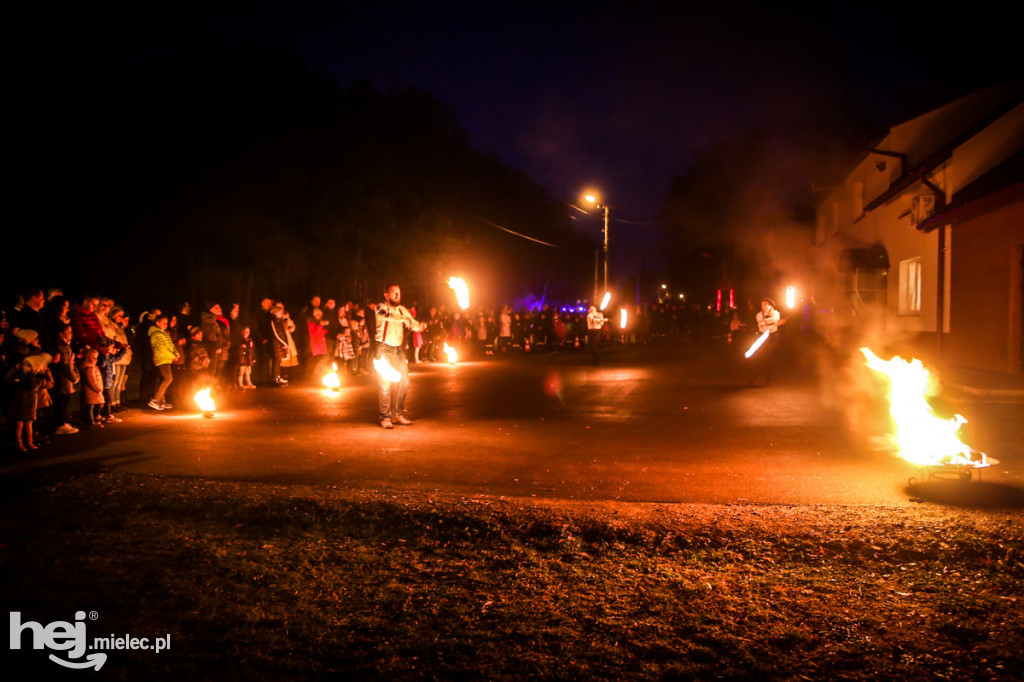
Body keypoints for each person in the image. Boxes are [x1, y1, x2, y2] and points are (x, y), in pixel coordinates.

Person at [374, 284, 426, 429]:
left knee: (404, 381)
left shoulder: (403, 310)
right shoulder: (379, 308)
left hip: (398, 349)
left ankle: (398, 413)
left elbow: (412, 323)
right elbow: (391, 317)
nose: (397, 295)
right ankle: (385, 417)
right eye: (393, 293)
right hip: (383, 348)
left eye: (399, 293)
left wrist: (419, 326)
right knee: (385, 384)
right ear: (386, 295)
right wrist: (405, 319)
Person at [749, 297, 783, 387]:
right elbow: (761, 324)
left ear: (770, 306)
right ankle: (757, 376)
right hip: (763, 336)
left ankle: (766, 377)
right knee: (757, 356)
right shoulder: (759, 315)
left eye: (765, 304)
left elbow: (775, 319)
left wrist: (767, 321)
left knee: (767, 357)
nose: (763, 306)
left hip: (772, 337)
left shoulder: (776, 313)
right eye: (762, 304)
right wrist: (767, 322)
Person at [148, 314, 179, 410]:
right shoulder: (156, 334)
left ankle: (162, 401)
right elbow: (162, 348)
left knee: (164, 379)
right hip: (162, 359)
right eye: (163, 323)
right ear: (157, 323)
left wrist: (176, 354)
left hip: (166, 359)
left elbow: (171, 345)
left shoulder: (163, 333)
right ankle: (155, 400)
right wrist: (172, 356)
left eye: (166, 323)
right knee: (168, 379)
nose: (166, 325)